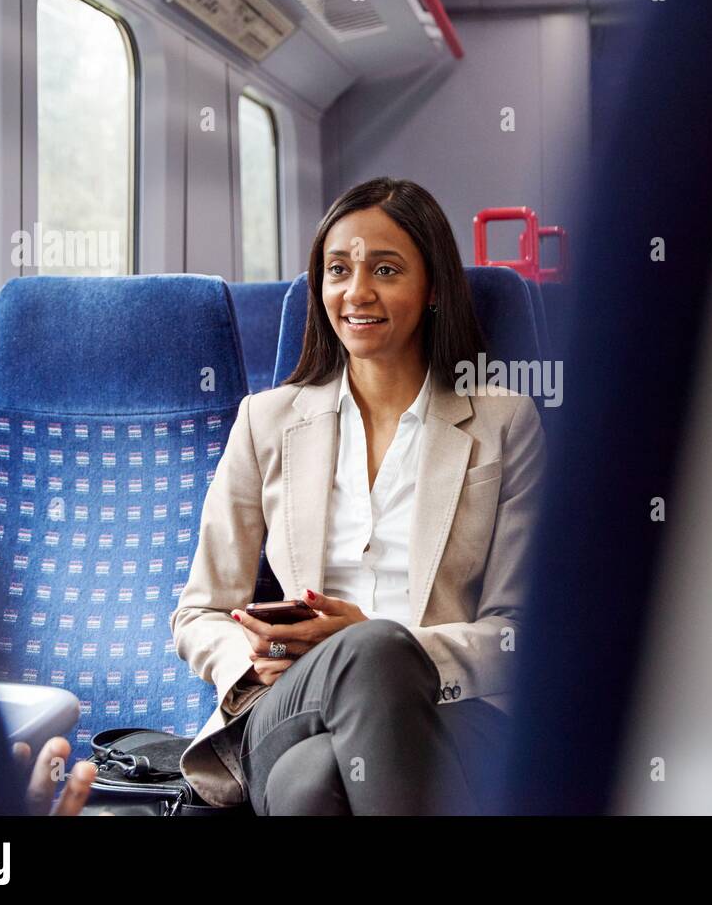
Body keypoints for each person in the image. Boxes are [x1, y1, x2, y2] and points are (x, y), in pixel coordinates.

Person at [170, 177, 545, 814]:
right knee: (333, 718)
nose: (357, 292)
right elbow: (197, 614)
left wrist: (382, 641)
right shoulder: (267, 422)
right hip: (287, 702)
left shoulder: (504, 423)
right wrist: (253, 656)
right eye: (338, 269)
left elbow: (520, 634)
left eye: (387, 269)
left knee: (314, 780)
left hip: (449, 709)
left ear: (432, 288)